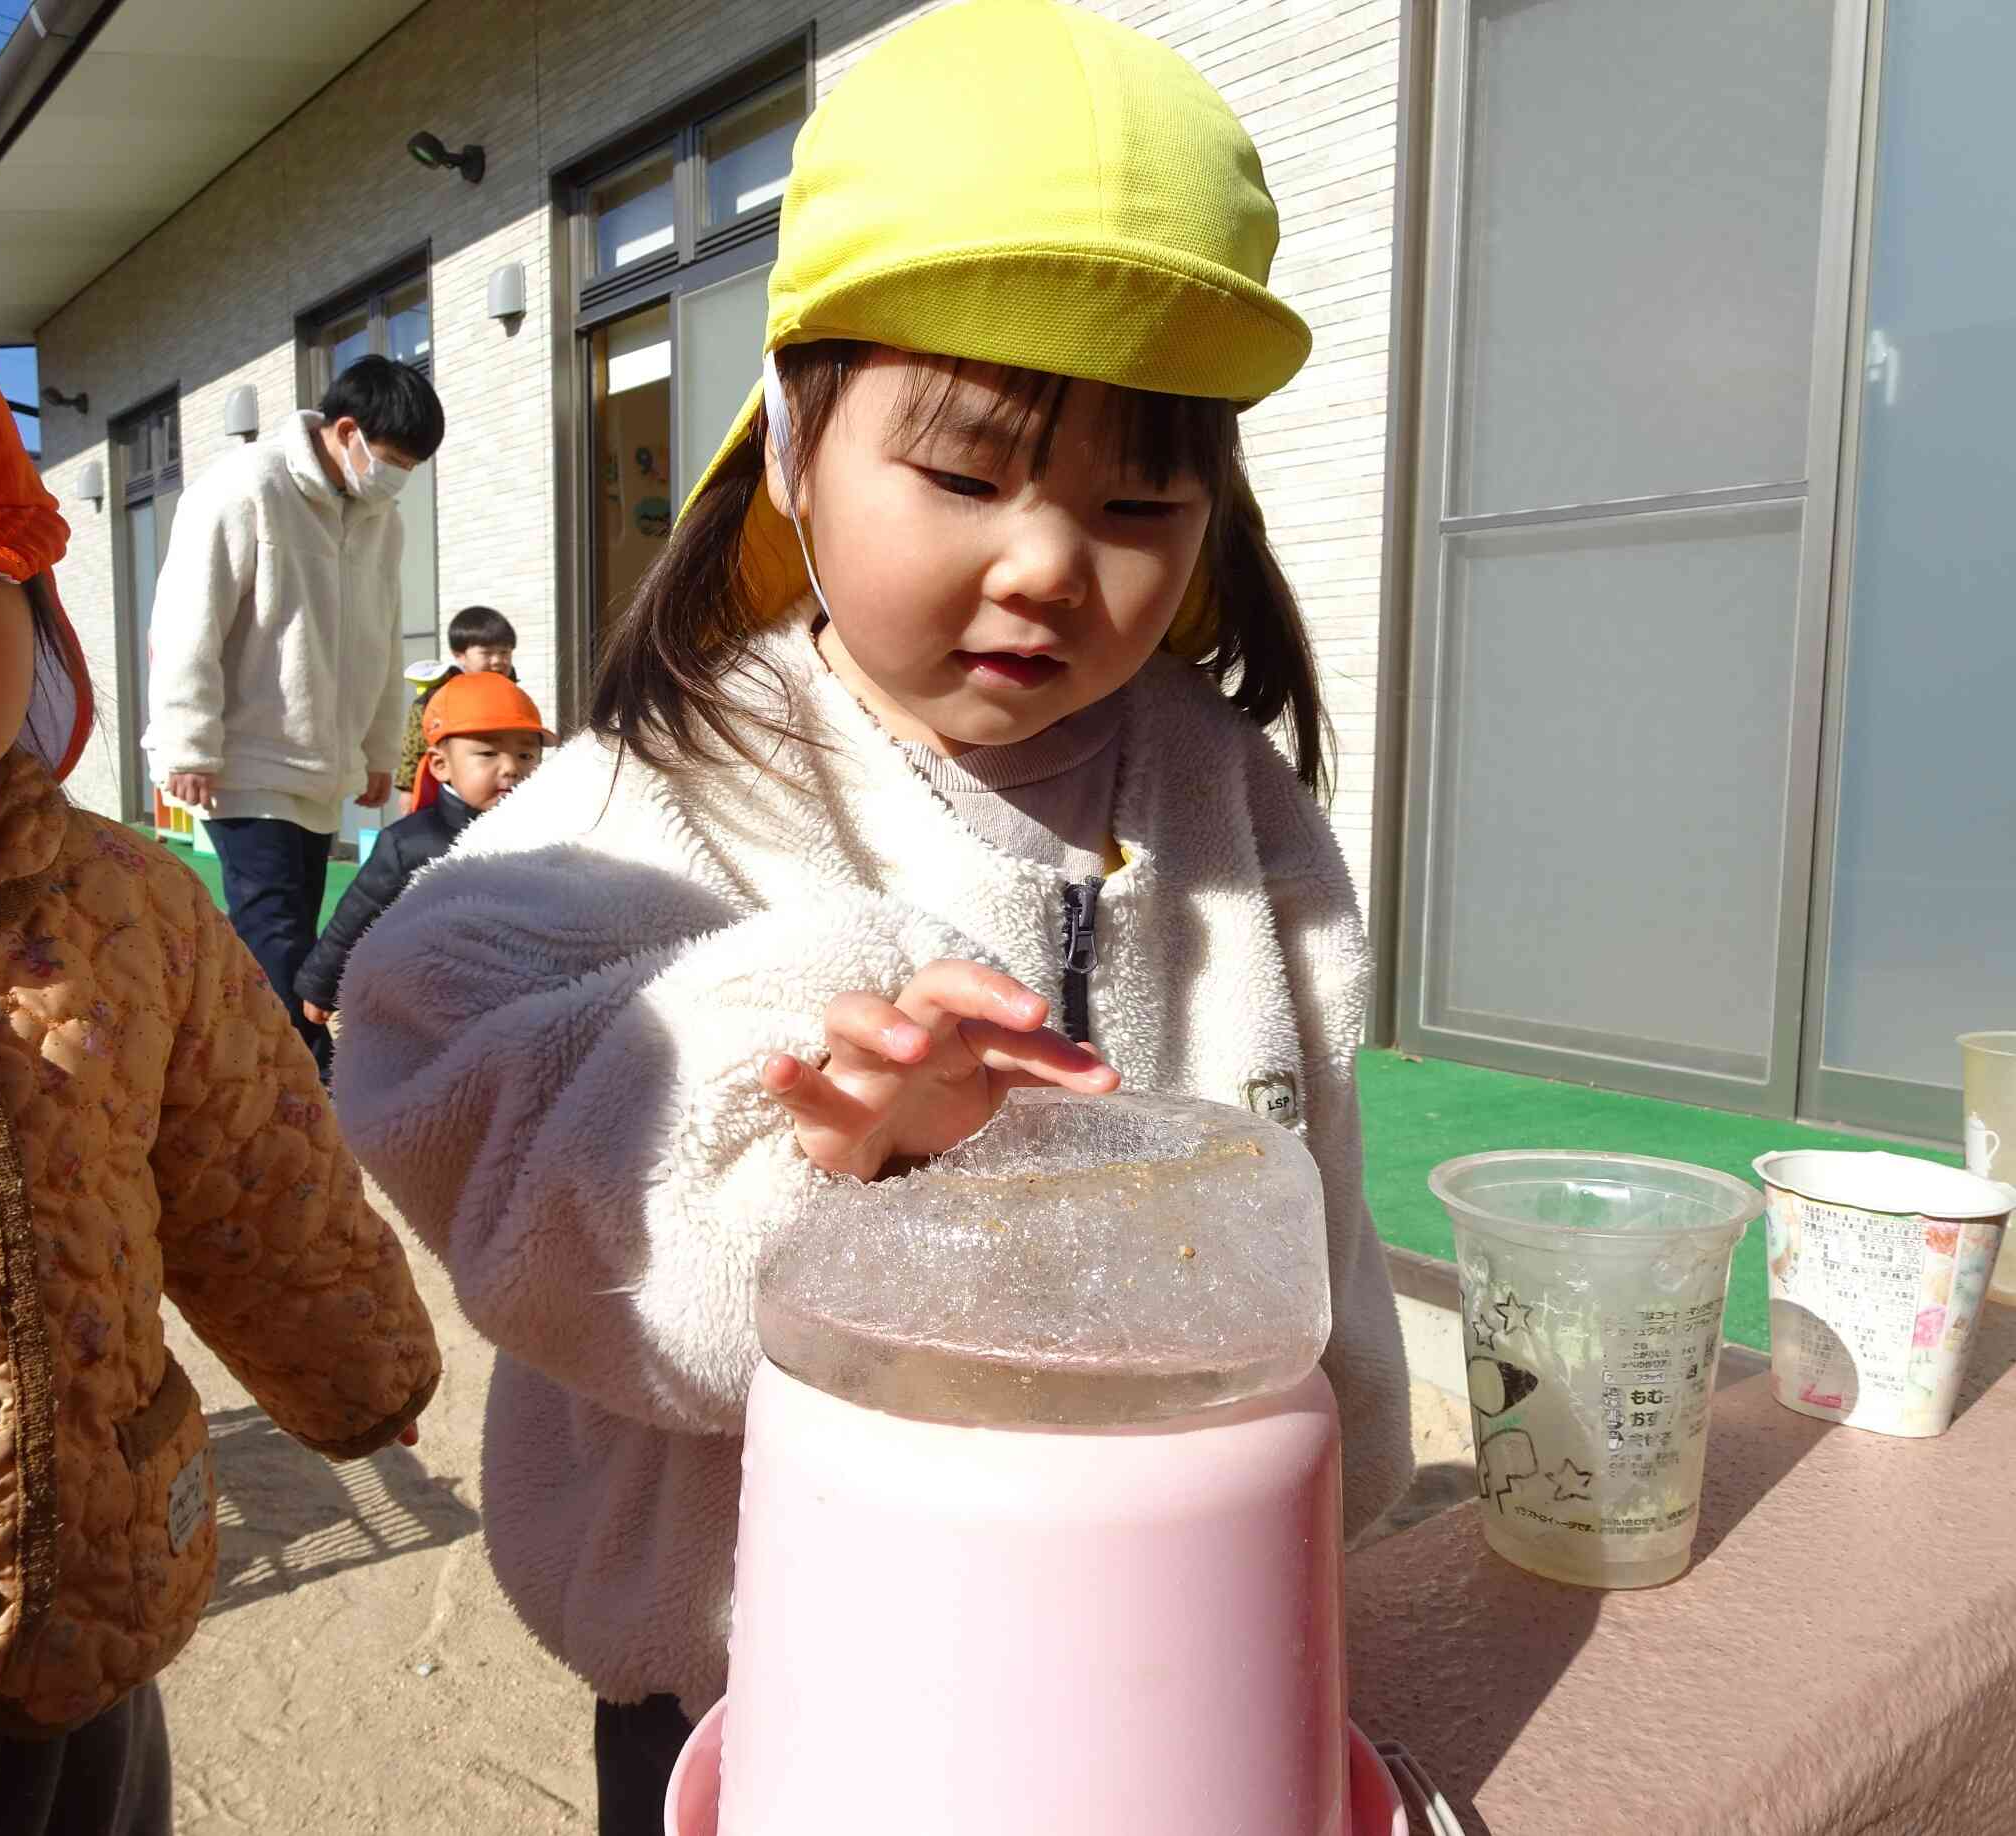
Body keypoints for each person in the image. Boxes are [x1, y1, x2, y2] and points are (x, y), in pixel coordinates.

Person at [331, 6, 1412, 1829]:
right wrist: (794, 1088)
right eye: (970, 473)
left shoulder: (1228, 796)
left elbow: (1313, 1156)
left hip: (1150, 1625)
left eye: (1138, 495)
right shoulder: (684, 767)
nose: (1050, 561)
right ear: (788, 452)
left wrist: (1323, 1490)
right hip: (768, 1651)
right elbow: (433, 1045)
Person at [0, 218, 442, 1835]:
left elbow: (249, 1164)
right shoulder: (246, 495)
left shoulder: (122, 910)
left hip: (91, 1616)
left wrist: (355, 1364)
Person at [141, 352, 445, 1077]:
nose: (397, 477)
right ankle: (297, 1082)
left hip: (317, 764)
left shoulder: (380, 519)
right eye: (394, 458)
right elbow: (189, 618)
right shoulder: (245, 487)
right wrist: (189, 741)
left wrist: (375, 751)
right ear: (347, 432)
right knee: (274, 933)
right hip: (245, 757)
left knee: (296, 934)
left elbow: (381, 636)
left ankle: (259, 1069)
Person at [297, 670, 552, 1026]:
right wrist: (320, 985)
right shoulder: (412, 842)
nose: (510, 768)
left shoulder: (546, 833)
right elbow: (357, 915)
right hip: (424, 1005)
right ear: (440, 765)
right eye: (488, 752)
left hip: (516, 1001)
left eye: (526, 755)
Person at [396, 603, 519, 809]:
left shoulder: (513, 694)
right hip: (447, 791)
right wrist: (407, 790)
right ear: (459, 655)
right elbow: (415, 744)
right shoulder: (440, 695)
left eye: (505, 652)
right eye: (487, 653)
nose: (498, 661)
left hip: (500, 789)